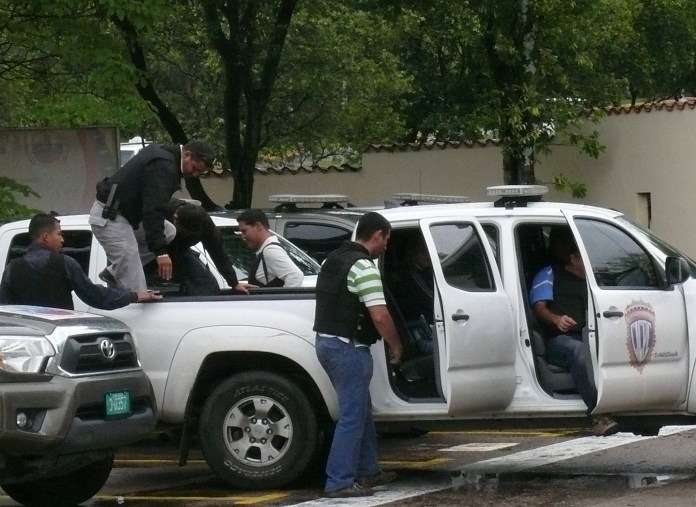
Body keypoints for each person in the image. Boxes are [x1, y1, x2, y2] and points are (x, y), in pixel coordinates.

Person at [313, 211, 404, 498]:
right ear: (378, 235)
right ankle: (339, 481)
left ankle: (368, 471)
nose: (386, 246)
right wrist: (396, 345)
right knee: (353, 416)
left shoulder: (333, 260)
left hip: (327, 343)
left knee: (362, 411)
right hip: (348, 348)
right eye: (386, 240)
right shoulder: (364, 267)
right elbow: (380, 315)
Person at [88, 141, 215, 291]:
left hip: (127, 215)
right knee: (137, 286)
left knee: (169, 232)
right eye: (195, 168)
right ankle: (130, 285)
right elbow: (154, 209)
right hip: (111, 217)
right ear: (187, 155)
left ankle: (115, 272)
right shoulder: (165, 166)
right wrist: (161, 253)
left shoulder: (163, 155)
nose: (194, 174)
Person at [530, 228, 619, 436]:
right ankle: (598, 415)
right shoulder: (550, 273)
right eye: (584, 256)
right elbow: (539, 307)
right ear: (573, 258)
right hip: (561, 340)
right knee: (579, 352)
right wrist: (556, 319)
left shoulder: (594, 281)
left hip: (590, 336)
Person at [0, 214, 160, 310]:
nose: (62, 239)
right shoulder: (65, 263)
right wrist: (134, 295)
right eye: (59, 234)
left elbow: (5, 309)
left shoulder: (11, 268)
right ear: (46, 237)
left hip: (27, 340)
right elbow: (95, 296)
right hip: (58, 336)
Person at [159, 199, 250, 295]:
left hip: (180, 251)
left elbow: (218, 253)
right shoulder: (160, 214)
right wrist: (161, 254)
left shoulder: (206, 224)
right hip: (154, 251)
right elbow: (153, 238)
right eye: (184, 232)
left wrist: (234, 283)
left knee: (206, 283)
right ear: (175, 218)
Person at [237, 209, 303, 287]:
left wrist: (282, 295)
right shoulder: (266, 250)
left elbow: (295, 276)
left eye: (244, 231)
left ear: (258, 226)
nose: (243, 236)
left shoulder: (270, 251)